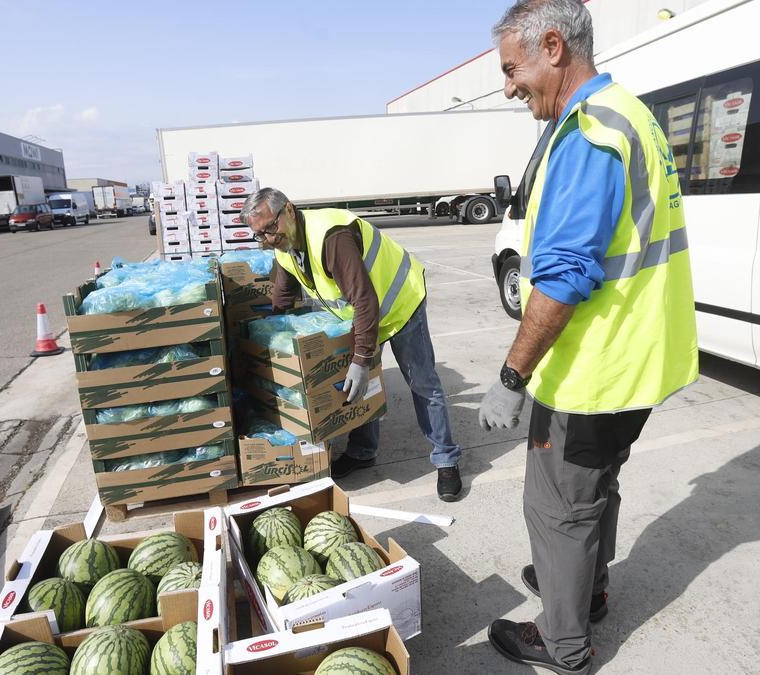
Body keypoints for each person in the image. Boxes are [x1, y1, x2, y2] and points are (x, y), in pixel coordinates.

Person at [478, 1, 698, 673]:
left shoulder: (589, 132)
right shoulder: (630, 112)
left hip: (593, 370)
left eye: (513, 70)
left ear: (552, 46)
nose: (510, 86)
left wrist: (512, 375)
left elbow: (567, 275)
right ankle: (587, 587)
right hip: (639, 359)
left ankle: (564, 642)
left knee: (558, 508)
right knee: (597, 485)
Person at [241, 188, 464, 502]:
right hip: (360, 315)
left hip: (399, 304)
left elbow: (365, 300)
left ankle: (446, 458)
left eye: (270, 228)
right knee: (361, 386)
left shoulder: (331, 237)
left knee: (422, 382)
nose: (267, 239)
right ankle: (362, 452)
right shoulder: (284, 246)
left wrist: (361, 358)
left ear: (289, 210)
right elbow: (282, 297)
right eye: (259, 235)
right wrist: (271, 347)